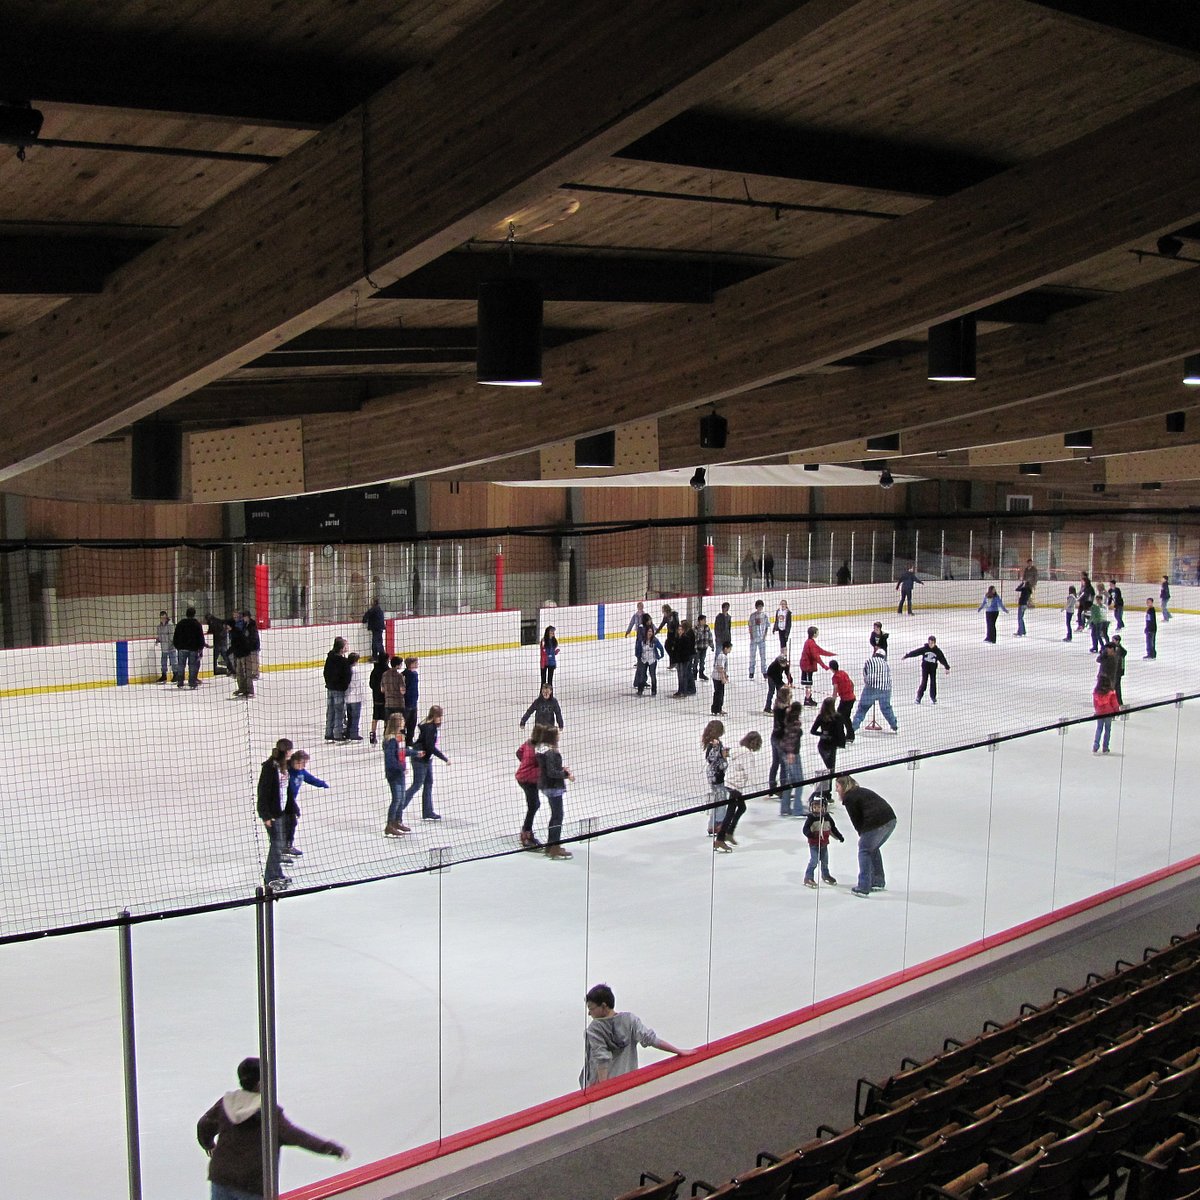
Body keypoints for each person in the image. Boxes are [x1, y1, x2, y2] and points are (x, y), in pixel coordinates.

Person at [196, 1055, 346, 1199]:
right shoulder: (268, 1111)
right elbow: (296, 1136)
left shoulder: (227, 1103)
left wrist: (208, 1144)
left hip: (221, 1177)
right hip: (251, 1184)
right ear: (261, 1082)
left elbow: (204, 1125)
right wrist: (328, 1147)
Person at [580, 984, 691, 1089]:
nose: (589, 1013)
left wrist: (602, 1090)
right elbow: (650, 1039)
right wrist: (679, 1051)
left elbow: (602, 1059)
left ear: (604, 1006)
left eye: (591, 1008)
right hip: (628, 1082)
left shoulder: (594, 1029)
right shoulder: (629, 1019)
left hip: (604, 1086)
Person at [836, 775, 898, 898]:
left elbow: (856, 819)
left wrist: (862, 835)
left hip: (876, 823)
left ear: (843, 786)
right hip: (890, 820)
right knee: (872, 848)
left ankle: (863, 886)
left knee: (864, 849)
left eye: (837, 786)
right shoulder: (859, 791)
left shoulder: (849, 797)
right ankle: (877, 881)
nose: (836, 790)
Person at [256, 740, 292, 892]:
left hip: (281, 811)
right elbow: (262, 793)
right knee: (276, 844)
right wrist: (265, 816)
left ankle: (277, 873)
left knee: (279, 844)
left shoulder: (284, 767)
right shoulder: (270, 768)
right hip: (272, 814)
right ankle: (270, 878)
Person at [404, 705, 449, 821]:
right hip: (420, 758)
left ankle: (428, 811)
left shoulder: (430, 726)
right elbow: (430, 747)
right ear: (434, 716)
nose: (440, 718)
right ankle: (400, 805)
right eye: (439, 716)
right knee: (417, 784)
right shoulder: (430, 728)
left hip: (426, 758)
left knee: (428, 783)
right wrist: (444, 758)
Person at [719, 730, 762, 849]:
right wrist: (760, 788)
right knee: (731, 811)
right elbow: (750, 772)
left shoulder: (738, 750)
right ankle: (720, 838)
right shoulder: (747, 755)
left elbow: (727, 752)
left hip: (729, 782)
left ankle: (729, 833)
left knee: (742, 807)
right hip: (735, 785)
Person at [537, 725, 574, 859]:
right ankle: (554, 847)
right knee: (558, 816)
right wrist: (565, 774)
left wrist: (561, 768)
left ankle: (551, 845)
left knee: (555, 816)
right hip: (553, 787)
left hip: (548, 786)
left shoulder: (545, 750)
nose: (559, 736)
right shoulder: (551, 753)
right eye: (557, 734)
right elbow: (552, 772)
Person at [283, 750, 328, 860]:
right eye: (301, 763)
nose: (303, 766)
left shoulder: (301, 772)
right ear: (294, 761)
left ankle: (287, 845)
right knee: (285, 824)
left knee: (292, 823)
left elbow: (311, 779)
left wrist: (322, 784)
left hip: (291, 801)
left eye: (304, 764)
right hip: (284, 801)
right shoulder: (288, 773)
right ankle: (281, 848)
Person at [802, 788, 844, 888]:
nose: (817, 809)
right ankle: (808, 877)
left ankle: (826, 875)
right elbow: (805, 830)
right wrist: (811, 835)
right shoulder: (811, 818)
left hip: (824, 844)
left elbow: (832, 829)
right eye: (814, 807)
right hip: (814, 844)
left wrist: (839, 837)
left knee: (825, 861)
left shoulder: (827, 818)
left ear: (824, 807)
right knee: (814, 861)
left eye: (819, 807)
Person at [851, 650, 899, 734]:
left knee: (863, 708)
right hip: (886, 689)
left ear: (875, 654)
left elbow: (865, 676)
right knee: (886, 708)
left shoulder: (869, 661)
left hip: (871, 688)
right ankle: (894, 725)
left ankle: (853, 727)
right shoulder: (886, 664)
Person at [515, 723, 545, 849]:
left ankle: (527, 831)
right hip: (527, 780)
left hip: (523, 777)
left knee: (534, 804)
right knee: (534, 805)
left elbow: (518, 753)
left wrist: (525, 763)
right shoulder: (538, 751)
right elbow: (545, 766)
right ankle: (525, 834)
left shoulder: (528, 743)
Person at [702, 719, 730, 848]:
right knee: (721, 799)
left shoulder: (713, 743)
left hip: (715, 775)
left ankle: (712, 825)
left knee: (718, 799)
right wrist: (723, 757)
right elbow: (712, 759)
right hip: (716, 776)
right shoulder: (714, 744)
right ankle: (718, 823)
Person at [382, 714, 410, 837]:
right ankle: (389, 825)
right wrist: (400, 768)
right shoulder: (391, 740)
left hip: (400, 773)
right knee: (396, 799)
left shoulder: (399, 737)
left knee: (402, 798)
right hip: (394, 774)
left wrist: (416, 753)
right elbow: (390, 760)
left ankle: (398, 821)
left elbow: (403, 752)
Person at [903, 635, 950, 704]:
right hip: (925, 668)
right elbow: (916, 652)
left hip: (933, 669)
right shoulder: (924, 649)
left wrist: (947, 667)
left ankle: (933, 697)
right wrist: (907, 655)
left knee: (933, 682)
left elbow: (942, 659)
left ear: (935, 643)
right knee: (924, 682)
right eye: (929, 643)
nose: (930, 644)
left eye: (932, 643)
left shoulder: (938, 651)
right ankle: (919, 697)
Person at [778, 701, 805, 817]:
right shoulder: (795, 723)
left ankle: (785, 807)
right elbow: (792, 739)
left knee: (790, 781)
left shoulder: (786, 719)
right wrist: (791, 753)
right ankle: (798, 808)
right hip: (792, 754)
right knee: (799, 781)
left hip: (785, 753)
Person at [323, 637, 351, 742]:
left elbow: (325, 672)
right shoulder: (343, 661)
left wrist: (329, 683)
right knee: (339, 712)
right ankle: (338, 734)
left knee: (330, 711)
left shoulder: (330, 658)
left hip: (330, 688)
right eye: (346, 645)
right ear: (342, 648)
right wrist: (344, 686)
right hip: (339, 689)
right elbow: (347, 676)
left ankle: (328, 734)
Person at [798, 625, 833, 706]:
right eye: (817, 632)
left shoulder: (810, 642)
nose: (818, 633)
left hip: (808, 666)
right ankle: (807, 700)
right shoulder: (810, 643)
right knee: (808, 684)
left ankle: (808, 698)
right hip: (807, 667)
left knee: (809, 683)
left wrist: (830, 654)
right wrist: (824, 666)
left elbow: (819, 650)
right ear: (814, 633)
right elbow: (816, 656)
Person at [810, 696, 846, 775]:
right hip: (832, 745)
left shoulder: (820, 717)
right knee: (831, 769)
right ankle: (829, 784)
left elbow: (813, 731)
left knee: (829, 768)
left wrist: (823, 734)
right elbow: (841, 732)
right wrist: (841, 743)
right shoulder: (838, 717)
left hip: (822, 745)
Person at [767, 685, 793, 793]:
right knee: (783, 764)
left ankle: (772, 786)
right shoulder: (787, 710)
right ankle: (783, 789)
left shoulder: (776, 706)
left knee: (775, 762)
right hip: (782, 739)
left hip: (774, 736)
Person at [225, 612, 256, 699]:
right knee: (239, 673)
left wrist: (227, 653)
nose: (226, 628)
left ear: (230, 626)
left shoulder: (236, 633)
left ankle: (249, 690)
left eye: (227, 626)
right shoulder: (233, 632)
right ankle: (242, 688)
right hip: (239, 655)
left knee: (247, 672)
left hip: (245, 655)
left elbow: (235, 645)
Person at [173, 606, 206, 687]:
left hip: (182, 648)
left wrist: (177, 646)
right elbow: (200, 637)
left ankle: (180, 682)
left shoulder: (180, 623)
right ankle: (192, 682)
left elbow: (175, 636)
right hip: (193, 649)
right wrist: (200, 648)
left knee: (181, 665)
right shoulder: (197, 624)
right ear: (194, 614)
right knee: (192, 666)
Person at [634, 617, 663, 696]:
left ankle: (654, 691)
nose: (650, 633)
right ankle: (640, 690)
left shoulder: (654, 640)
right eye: (649, 631)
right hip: (643, 660)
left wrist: (661, 656)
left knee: (652, 675)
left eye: (651, 631)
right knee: (642, 675)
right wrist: (638, 655)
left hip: (652, 660)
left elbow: (661, 648)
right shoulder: (642, 641)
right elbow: (638, 648)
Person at [829, 659, 856, 744]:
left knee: (839, 718)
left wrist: (832, 701)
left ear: (831, 668)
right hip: (851, 698)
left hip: (845, 700)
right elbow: (852, 683)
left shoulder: (835, 677)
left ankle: (840, 737)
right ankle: (850, 735)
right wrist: (851, 692)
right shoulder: (843, 673)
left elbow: (835, 689)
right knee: (846, 717)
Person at [670, 617, 697, 696]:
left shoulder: (686, 638)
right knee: (681, 675)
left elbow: (686, 650)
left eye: (681, 629)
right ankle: (681, 690)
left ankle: (685, 691)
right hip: (680, 659)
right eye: (679, 629)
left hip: (685, 659)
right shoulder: (678, 638)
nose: (679, 631)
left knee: (685, 674)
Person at [1093, 678, 1119, 754]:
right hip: (1109, 713)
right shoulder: (1111, 693)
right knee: (1107, 730)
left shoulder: (1096, 692)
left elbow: (1095, 703)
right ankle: (1105, 747)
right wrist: (1117, 711)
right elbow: (1115, 704)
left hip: (1099, 713)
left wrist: (1097, 710)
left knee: (1099, 728)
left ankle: (1095, 745)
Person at [367, 651, 388, 745]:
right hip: (386, 697)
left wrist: (376, 689)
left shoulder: (374, 670)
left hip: (376, 697)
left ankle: (372, 734)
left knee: (375, 716)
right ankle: (386, 735)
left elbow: (371, 684)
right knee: (386, 716)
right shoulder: (387, 671)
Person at [342, 652, 364, 740]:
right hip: (355, 697)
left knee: (350, 716)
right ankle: (354, 734)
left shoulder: (346, 669)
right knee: (355, 717)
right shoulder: (355, 671)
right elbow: (358, 684)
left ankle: (348, 732)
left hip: (348, 697)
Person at [747, 599, 770, 678]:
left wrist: (765, 636)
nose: (760, 608)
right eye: (758, 606)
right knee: (752, 656)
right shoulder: (752, 616)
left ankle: (764, 671)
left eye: (761, 606)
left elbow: (767, 626)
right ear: (756, 607)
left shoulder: (765, 615)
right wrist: (751, 635)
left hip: (762, 639)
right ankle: (751, 672)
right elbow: (750, 625)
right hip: (754, 639)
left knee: (763, 656)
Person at [206, 612, 233, 677]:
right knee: (225, 656)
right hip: (223, 641)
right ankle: (231, 669)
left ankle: (215, 669)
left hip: (217, 642)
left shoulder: (212, 623)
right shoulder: (219, 621)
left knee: (215, 656)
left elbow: (211, 632)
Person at [400, 655, 420, 743]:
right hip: (409, 702)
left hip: (410, 701)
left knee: (408, 723)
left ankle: (406, 739)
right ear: (411, 664)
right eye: (416, 663)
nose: (417, 664)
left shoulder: (403, 674)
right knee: (410, 723)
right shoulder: (413, 674)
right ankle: (408, 740)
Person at [710, 640, 730, 716]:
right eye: (729, 648)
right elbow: (720, 668)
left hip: (718, 677)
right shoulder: (722, 656)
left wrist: (725, 676)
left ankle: (717, 709)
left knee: (719, 694)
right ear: (725, 648)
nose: (730, 650)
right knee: (719, 694)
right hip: (717, 678)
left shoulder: (723, 656)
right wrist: (723, 678)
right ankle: (716, 709)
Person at [694, 613, 713, 681]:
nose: (705, 621)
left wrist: (711, 645)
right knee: (696, 661)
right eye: (704, 620)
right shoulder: (696, 628)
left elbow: (710, 636)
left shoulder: (707, 627)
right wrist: (695, 648)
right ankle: (694, 674)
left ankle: (701, 673)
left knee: (702, 661)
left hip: (704, 647)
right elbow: (695, 640)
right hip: (698, 648)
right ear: (700, 621)